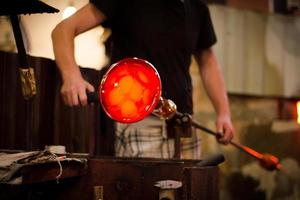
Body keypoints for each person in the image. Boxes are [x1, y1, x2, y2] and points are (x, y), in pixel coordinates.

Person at [51, 0, 234, 159]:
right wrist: (72, 76)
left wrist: (223, 113)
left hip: (184, 123)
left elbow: (207, 60)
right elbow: (63, 29)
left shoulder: (197, 7)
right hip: (141, 125)